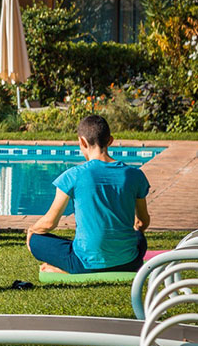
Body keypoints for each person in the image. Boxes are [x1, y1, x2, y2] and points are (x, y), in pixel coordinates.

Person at [27, 114, 150, 274]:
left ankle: (67, 269)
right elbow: (142, 223)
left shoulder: (73, 175)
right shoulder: (135, 175)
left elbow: (50, 223)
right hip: (129, 262)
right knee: (139, 238)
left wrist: (31, 231)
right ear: (110, 140)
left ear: (82, 142)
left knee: (36, 240)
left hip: (84, 264)